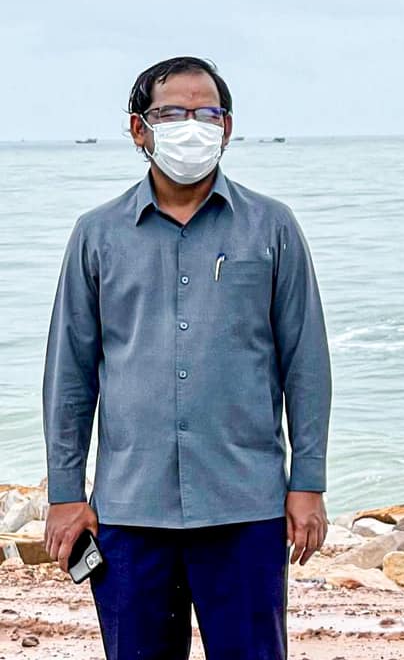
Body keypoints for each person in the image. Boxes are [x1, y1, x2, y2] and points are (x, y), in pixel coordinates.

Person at [42, 56, 332, 659]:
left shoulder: (272, 227)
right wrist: (66, 494)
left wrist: (307, 483)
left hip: (245, 507)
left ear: (228, 127)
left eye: (208, 113)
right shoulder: (97, 234)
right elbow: (70, 374)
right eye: (172, 113)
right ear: (138, 128)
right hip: (130, 512)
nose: (192, 127)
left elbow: (305, 364)